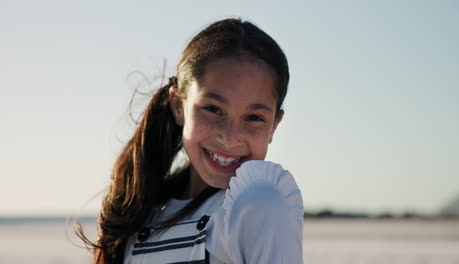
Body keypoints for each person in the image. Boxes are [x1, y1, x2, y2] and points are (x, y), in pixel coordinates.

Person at [79, 17, 303, 264]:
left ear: (274, 126)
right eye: (213, 109)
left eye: (253, 117)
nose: (229, 138)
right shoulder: (142, 215)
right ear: (179, 106)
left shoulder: (260, 205)